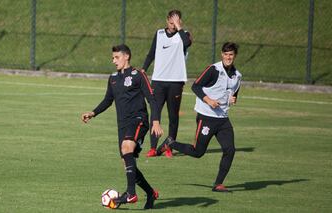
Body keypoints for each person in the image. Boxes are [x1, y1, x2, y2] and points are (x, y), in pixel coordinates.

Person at [81, 44, 163, 209]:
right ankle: (150, 193)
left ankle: (131, 193)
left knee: (127, 148)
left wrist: (155, 121)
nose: (113, 61)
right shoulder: (113, 78)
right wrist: (93, 112)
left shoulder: (138, 75)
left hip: (139, 119)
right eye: (113, 58)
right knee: (128, 162)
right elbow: (107, 100)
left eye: (116, 57)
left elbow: (152, 99)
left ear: (127, 57)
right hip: (123, 124)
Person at [156, 42, 242, 192]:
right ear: (222, 54)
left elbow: (233, 95)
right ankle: (171, 143)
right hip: (206, 116)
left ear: (235, 56)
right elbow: (195, 86)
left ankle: (218, 184)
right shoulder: (213, 69)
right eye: (226, 54)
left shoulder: (237, 76)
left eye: (231, 55)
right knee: (198, 152)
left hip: (223, 119)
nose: (228, 57)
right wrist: (208, 100)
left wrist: (233, 99)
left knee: (230, 150)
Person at [141, 9, 192, 158]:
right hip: (158, 81)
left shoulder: (185, 35)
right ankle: (152, 147)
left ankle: (169, 146)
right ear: (167, 20)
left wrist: (179, 27)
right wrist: (144, 68)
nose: (173, 25)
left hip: (176, 82)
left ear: (180, 22)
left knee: (173, 116)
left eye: (176, 22)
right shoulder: (159, 34)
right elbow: (151, 53)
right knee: (155, 113)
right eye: (171, 22)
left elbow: (187, 43)